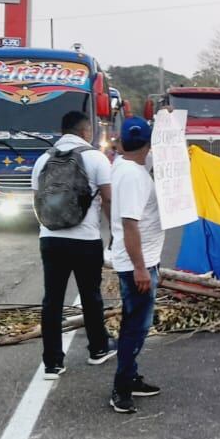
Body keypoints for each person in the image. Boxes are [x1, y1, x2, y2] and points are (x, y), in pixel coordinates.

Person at [31, 111, 116, 380]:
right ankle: (98, 349)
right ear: (85, 130)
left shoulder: (43, 160)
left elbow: (37, 200)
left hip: (50, 239)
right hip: (85, 240)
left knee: (52, 300)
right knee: (90, 296)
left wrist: (48, 229)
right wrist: (115, 233)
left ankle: (52, 363)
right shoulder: (96, 158)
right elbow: (108, 199)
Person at [107, 117, 164, 414]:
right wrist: (140, 268)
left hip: (140, 259)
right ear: (147, 144)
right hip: (136, 264)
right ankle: (121, 387)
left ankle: (130, 376)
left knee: (135, 323)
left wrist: (167, 120)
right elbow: (130, 224)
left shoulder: (124, 165)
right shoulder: (133, 177)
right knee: (135, 328)